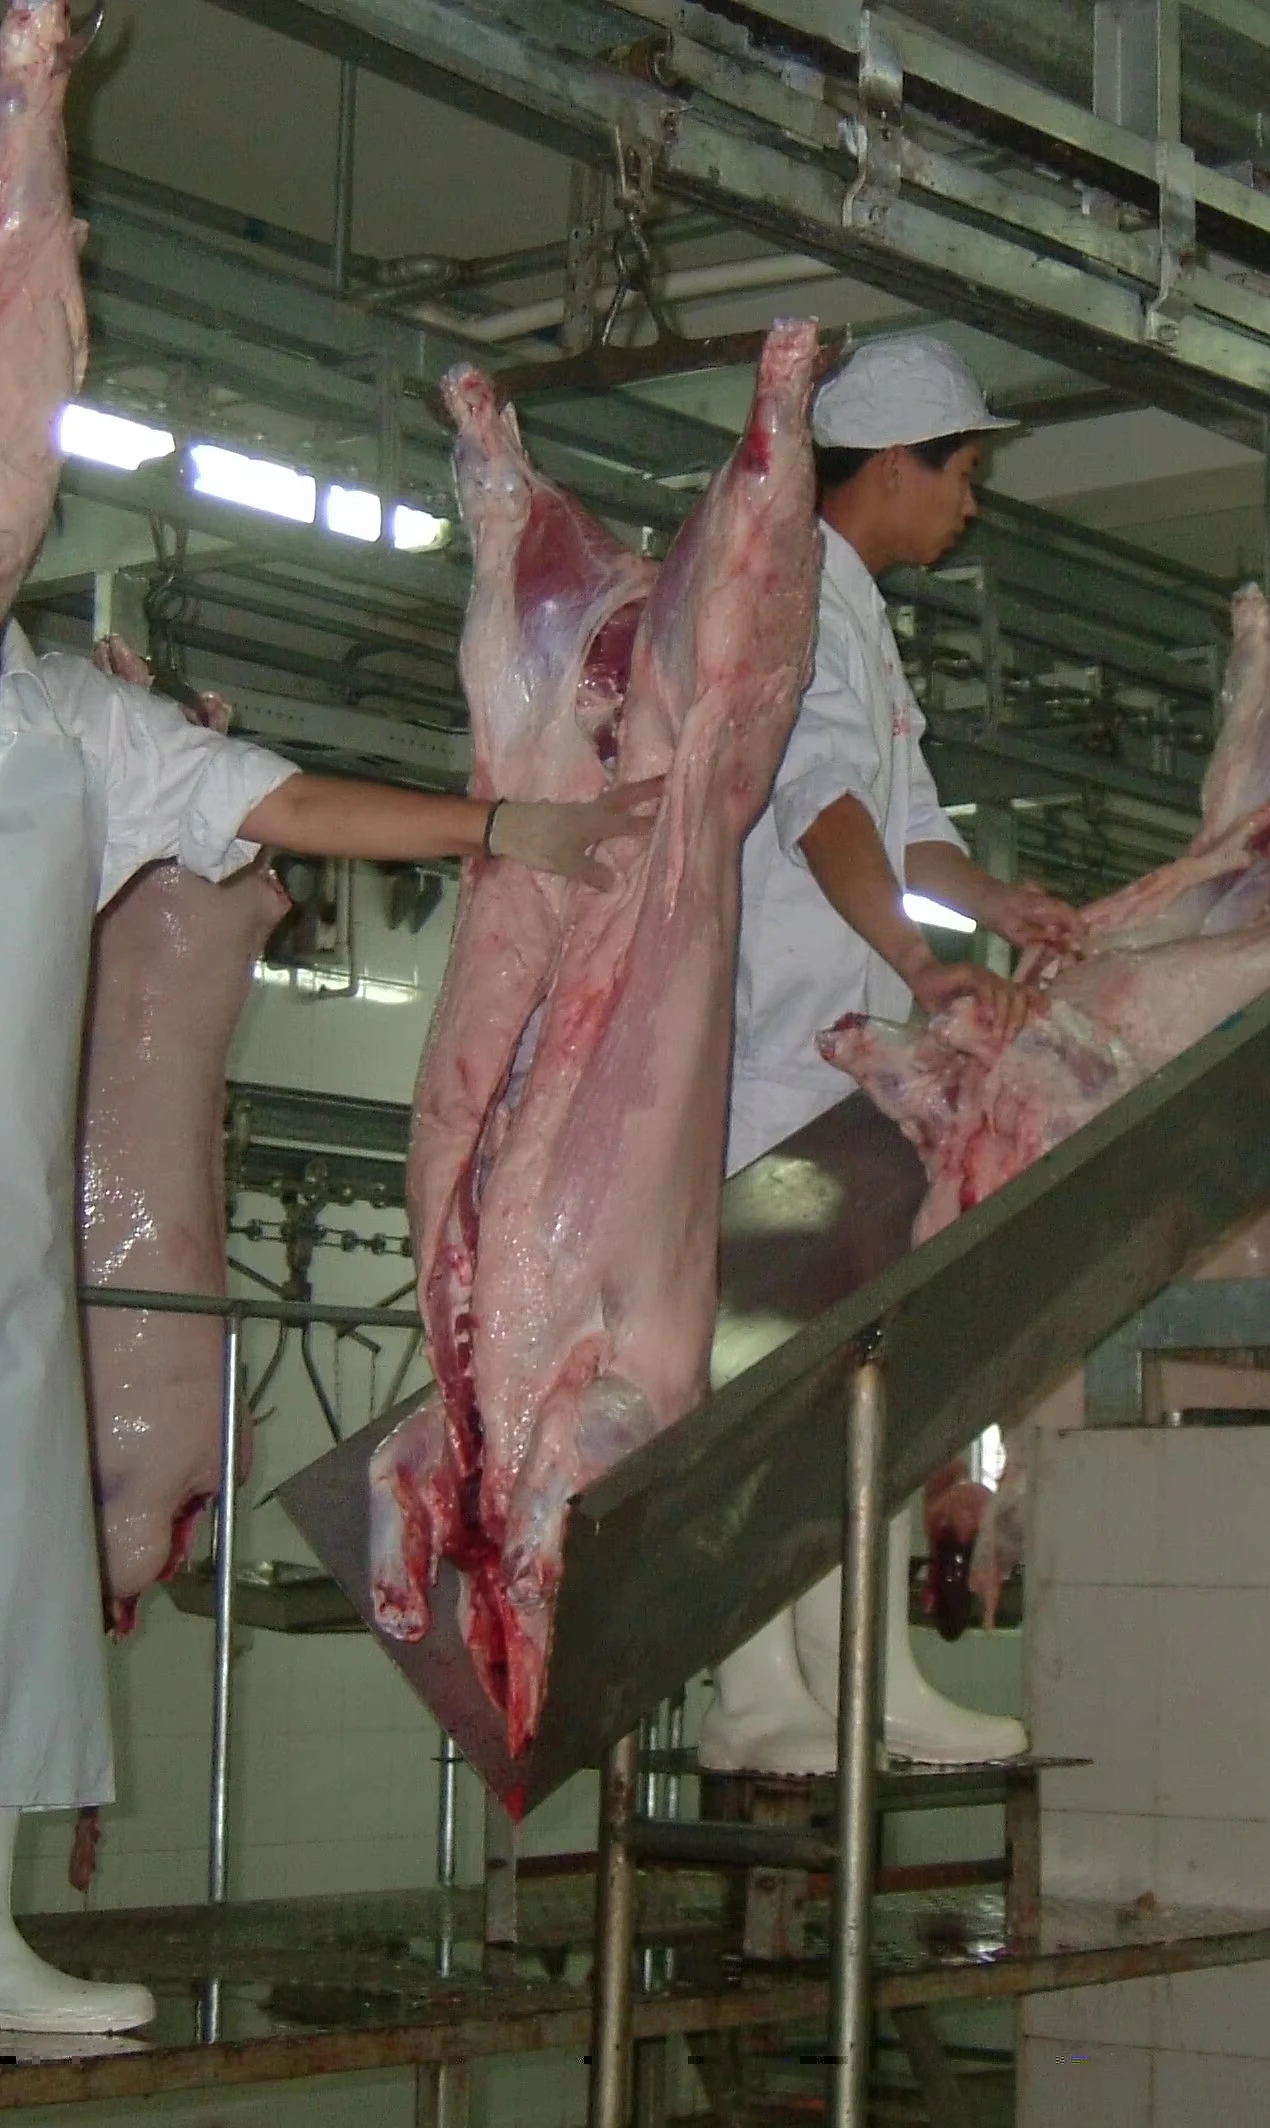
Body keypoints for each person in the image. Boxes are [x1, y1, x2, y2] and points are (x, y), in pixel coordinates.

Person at [0, 619, 657, 2033]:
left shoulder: (61, 715)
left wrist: (507, 825)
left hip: (10, 1238)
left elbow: (286, 803)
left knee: (3, 1575)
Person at [700, 333, 1084, 1776]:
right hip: (779, 1052)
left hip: (837, 1052)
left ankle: (850, 1682)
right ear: (896, 468)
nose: (971, 504)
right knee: (777, 1386)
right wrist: (922, 957)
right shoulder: (797, 592)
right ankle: (760, 1695)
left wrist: (994, 903)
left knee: (833, 1377)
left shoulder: (856, 609)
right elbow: (820, 810)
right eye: (963, 474)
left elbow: (902, 815)